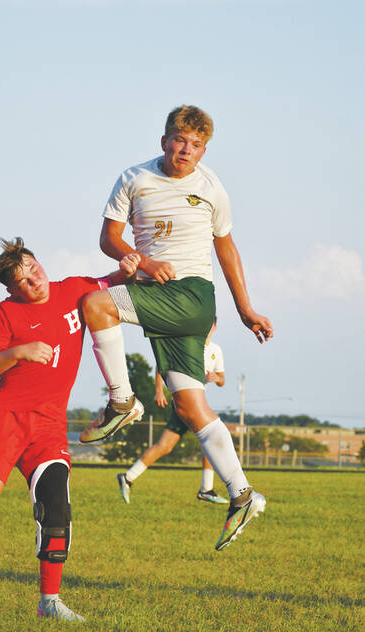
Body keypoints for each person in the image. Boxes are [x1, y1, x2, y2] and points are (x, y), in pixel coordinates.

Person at [80, 105, 274, 551]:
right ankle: (242, 494)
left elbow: (226, 249)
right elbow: (109, 239)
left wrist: (245, 309)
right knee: (190, 408)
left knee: (95, 304)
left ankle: (122, 402)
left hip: (190, 296)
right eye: (180, 140)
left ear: (205, 149)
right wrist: (144, 261)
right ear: (164, 139)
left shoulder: (211, 188)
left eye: (197, 145)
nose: (187, 150)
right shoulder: (134, 178)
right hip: (159, 294)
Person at [0, 237, 139, 623]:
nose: (35, 282)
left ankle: (49, 601)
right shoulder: (5, 313)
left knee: (57, 508)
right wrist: (18, 352)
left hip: (48, 426)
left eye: (35, 270)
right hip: (5, 418)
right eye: (24, 282)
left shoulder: (74, 290)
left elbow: (114, 283)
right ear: (12, 290)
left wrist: (128, 269)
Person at [117, 319, 229, 505]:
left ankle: (128, 477)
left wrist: (216, 377)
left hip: (197, 402)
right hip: (186, 402)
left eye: (210, 323)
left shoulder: (216, 350)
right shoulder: (189, 344)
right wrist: (159, 391)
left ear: (215, 326)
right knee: (211, 439)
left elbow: (222, 379)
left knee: (165, 446)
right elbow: (163, 364)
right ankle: (206, 489)